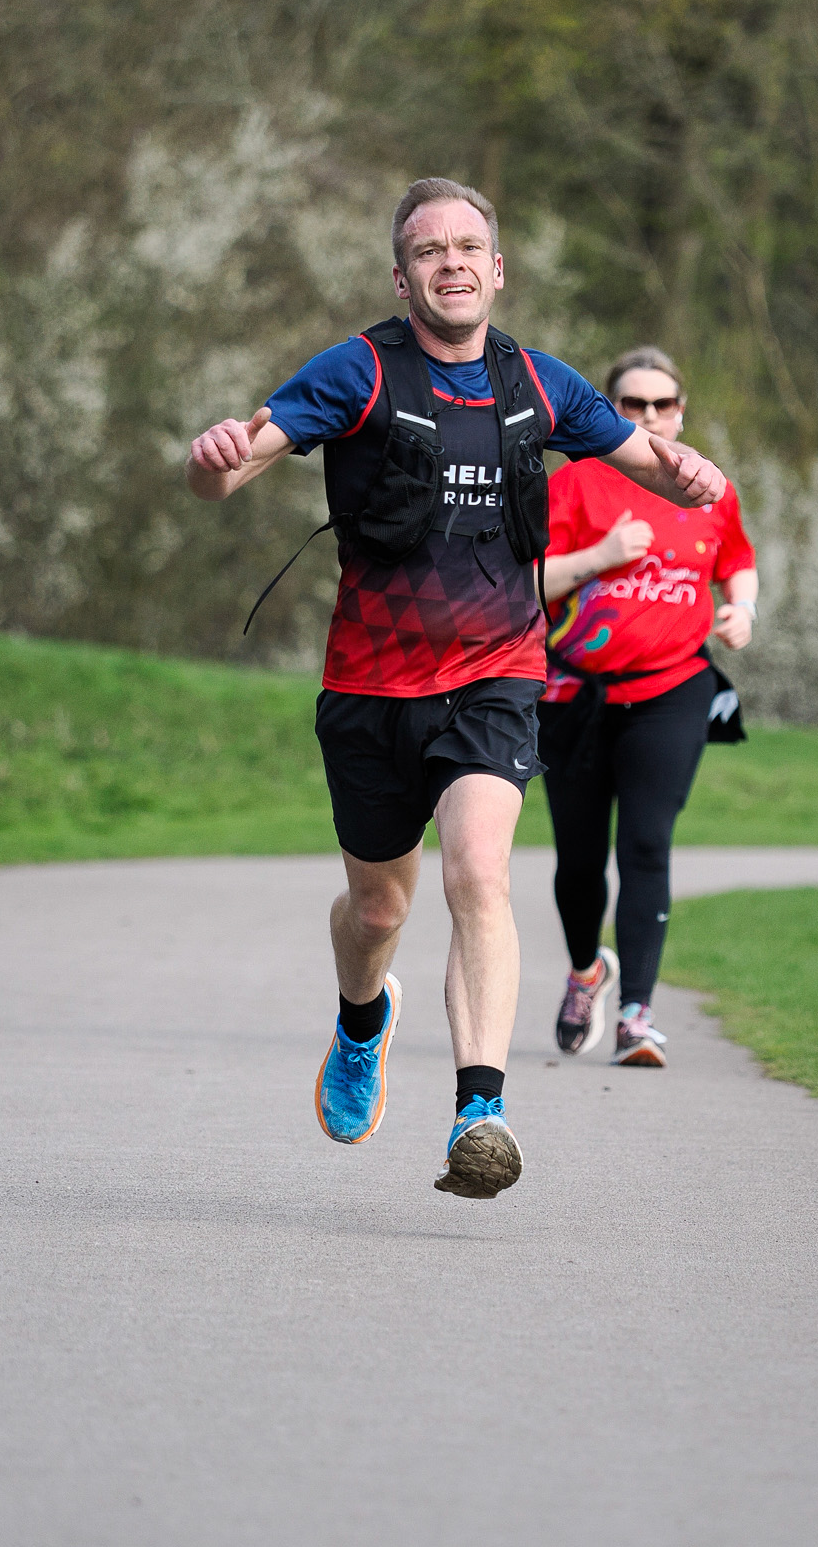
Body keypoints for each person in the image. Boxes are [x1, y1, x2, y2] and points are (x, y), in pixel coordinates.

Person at [187, 182, 728, 1197]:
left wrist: (687, 471)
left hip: (498, 672)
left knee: (479, 870)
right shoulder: (356, 371)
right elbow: (228, 472)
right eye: (430, 250)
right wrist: (213, 458)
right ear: (403, 278)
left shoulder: (538, 381)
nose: (452, 263)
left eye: (469, 246)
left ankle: (481, 1114)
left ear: (497, 267)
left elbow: (646, 459)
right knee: (377, 907)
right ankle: (362, 1021)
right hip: (369, 686)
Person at [539, 345, 757, 1067]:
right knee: (578, 861)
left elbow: (738, 561)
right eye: (633, 404)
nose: (650, 415)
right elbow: (522, 584)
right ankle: (585, 972)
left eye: (663, 404)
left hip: (672, 688)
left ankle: (637, 1015)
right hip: (573, 693)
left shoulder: (707, 487)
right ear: (609, 412)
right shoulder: (574, 484)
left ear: (681, 411)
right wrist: (600, 557)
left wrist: (743, 610)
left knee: (645, 844)